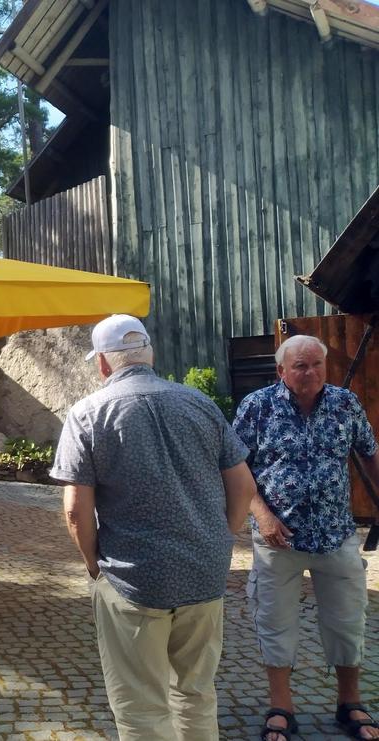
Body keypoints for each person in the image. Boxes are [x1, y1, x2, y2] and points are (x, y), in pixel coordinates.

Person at [50, 314, 256, 741]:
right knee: (196, 694)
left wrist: (93, 565)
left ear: (102, 363)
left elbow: (75, 511)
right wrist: (220, 540)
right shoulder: (200, 404)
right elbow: (244, 486)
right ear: (150, 353)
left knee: (141, 707)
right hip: (203, 573)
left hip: (132, 578)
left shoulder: (87, 414)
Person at [233, 334, 379, 741]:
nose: (311, 372)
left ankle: (350, 703)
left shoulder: (345, 404)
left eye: (317, 364)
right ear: (281, 370)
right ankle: (281, 707)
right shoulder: (257, 406)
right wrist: (262, 515)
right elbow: (235, 467)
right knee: (275, 623)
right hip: (278, 540)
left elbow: (369, 451)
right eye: (300, 366)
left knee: (347, 621)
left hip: (336, 535)